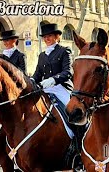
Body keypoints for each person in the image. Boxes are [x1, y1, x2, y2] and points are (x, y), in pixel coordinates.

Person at [32, 23, 84, 169]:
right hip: (45, 89)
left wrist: (53, 80)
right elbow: (37, 74)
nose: (47, 39)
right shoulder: (42, 55)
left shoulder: (64, 51)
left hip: (61, 88)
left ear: (57, 37)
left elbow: (68, 72)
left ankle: (78, 149)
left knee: (74, 115)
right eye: (45, 37)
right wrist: (30, 81)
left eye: (50, 36)